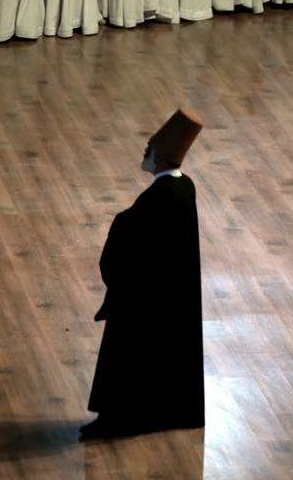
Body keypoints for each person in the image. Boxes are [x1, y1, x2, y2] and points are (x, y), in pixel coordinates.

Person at [81, 107, 205, 439]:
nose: (145, 154)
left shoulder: (159, 198)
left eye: (149, 150)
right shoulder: (185, 187)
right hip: (168, 295)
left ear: (162, 159)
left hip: (143, 298)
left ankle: (116, 419)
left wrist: (121, 223)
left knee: (125, 359)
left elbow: (130, 235)